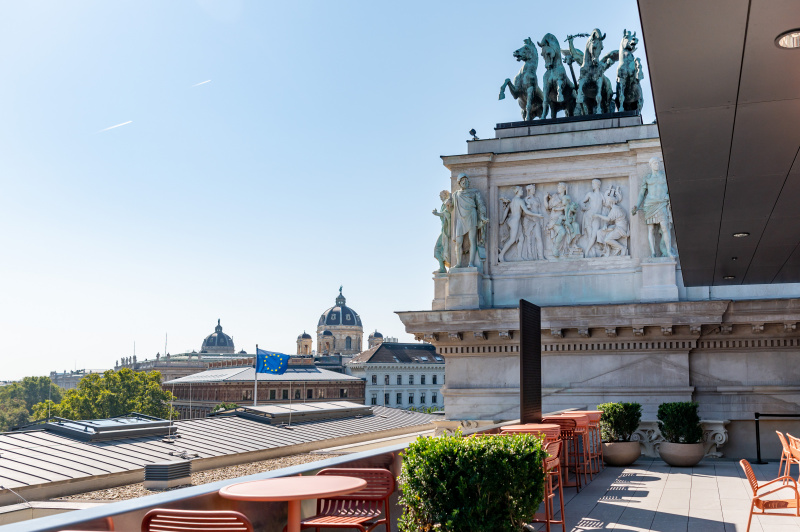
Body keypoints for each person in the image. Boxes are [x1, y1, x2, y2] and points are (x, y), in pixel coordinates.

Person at [632, 157, 674, 258]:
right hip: (649, 204)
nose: (657, 165)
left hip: (661, 203)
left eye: (658, 163)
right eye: (655, 163)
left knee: (665, 226)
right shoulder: (647, 178)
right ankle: (653, 253)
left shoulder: (665, 176)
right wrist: (637, 206)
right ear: (650, 165)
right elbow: (642, 194)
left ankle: (668, 251)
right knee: (650, 229)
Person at [448, 174, 488, 268]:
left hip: (472, 216)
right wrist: (448, 204)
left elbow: (480, 205)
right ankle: (458, 263)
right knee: (458, 242)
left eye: (466, 181)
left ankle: (471, 263)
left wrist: (482, 217)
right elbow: (450, 209)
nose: (465, 183)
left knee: (472, 240)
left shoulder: (474, 192)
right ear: (459, 183)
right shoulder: (456, 194)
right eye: (462, 181)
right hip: (460, 219)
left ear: (468, 182)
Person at [498, 186, 543, 262]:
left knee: (521, 239)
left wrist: (502, 220)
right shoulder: (520, 201)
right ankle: (501, 254)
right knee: (512, 240)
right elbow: (526, 211)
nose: (522, 191)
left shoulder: (513, 200)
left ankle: (519, 257)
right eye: (521, 190)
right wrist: (537, 215)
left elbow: (506, 210)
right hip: (515, 222)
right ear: (517, 191)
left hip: (513, 221)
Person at [595, 186, 629, 256]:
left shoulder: (615, 209)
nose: (605, 202)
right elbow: (610, 220)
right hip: (618, 227)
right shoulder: (615, 208)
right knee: (600, 232)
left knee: (607, 239)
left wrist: (598, 215)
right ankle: (606, 250)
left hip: (621, 229)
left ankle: (622, 248)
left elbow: (608, 219)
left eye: (606, 201)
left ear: (610, 202)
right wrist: (605, 225)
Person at [581, 179, 604, 257]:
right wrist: (585, 208)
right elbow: (582, 202)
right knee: (590, 235)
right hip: (589, 215)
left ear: (598, 185)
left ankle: (587, 251)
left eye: (593, 184)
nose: (592, 185)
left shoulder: (602, 195)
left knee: (594, 235)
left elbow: (608, 203)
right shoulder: (590, 194)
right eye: (592, 184)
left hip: (597, 217)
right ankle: (593, 253)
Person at [545, 182, 569, 258]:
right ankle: (555, 249)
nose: (558, 188)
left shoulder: (566, 198)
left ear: (564, 189)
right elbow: (548, 207)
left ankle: (567, 249)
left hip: (562, 219)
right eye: (558, 187)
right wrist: (544, 198)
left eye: (560, 187)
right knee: (562, 232)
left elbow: (568, 210)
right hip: (554, 219)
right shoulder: (555, 196)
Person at [522, 184, 544, 260]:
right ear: (529, 190)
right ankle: (530, 256)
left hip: (537, 219)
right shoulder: (526, 199)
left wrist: (542, 221)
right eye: (532, 189)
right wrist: (527, 203)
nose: (534, 190)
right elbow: (524, 213)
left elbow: (540, 210)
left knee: (539, 238)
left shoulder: (537, 199)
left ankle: (541, 256)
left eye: (534, 188)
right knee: (529, 238)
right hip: (528, 220)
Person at [432, 190, 452, 273]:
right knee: (437, 250)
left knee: (437, 250)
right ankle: (442, 267)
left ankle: (442, 268)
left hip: (447, 230)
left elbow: (447, 214)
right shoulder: (443, 205)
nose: (440, 197)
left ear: (445, 195)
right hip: (444, 229)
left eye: (441, 195)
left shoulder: (447, 204)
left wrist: (437, 214)